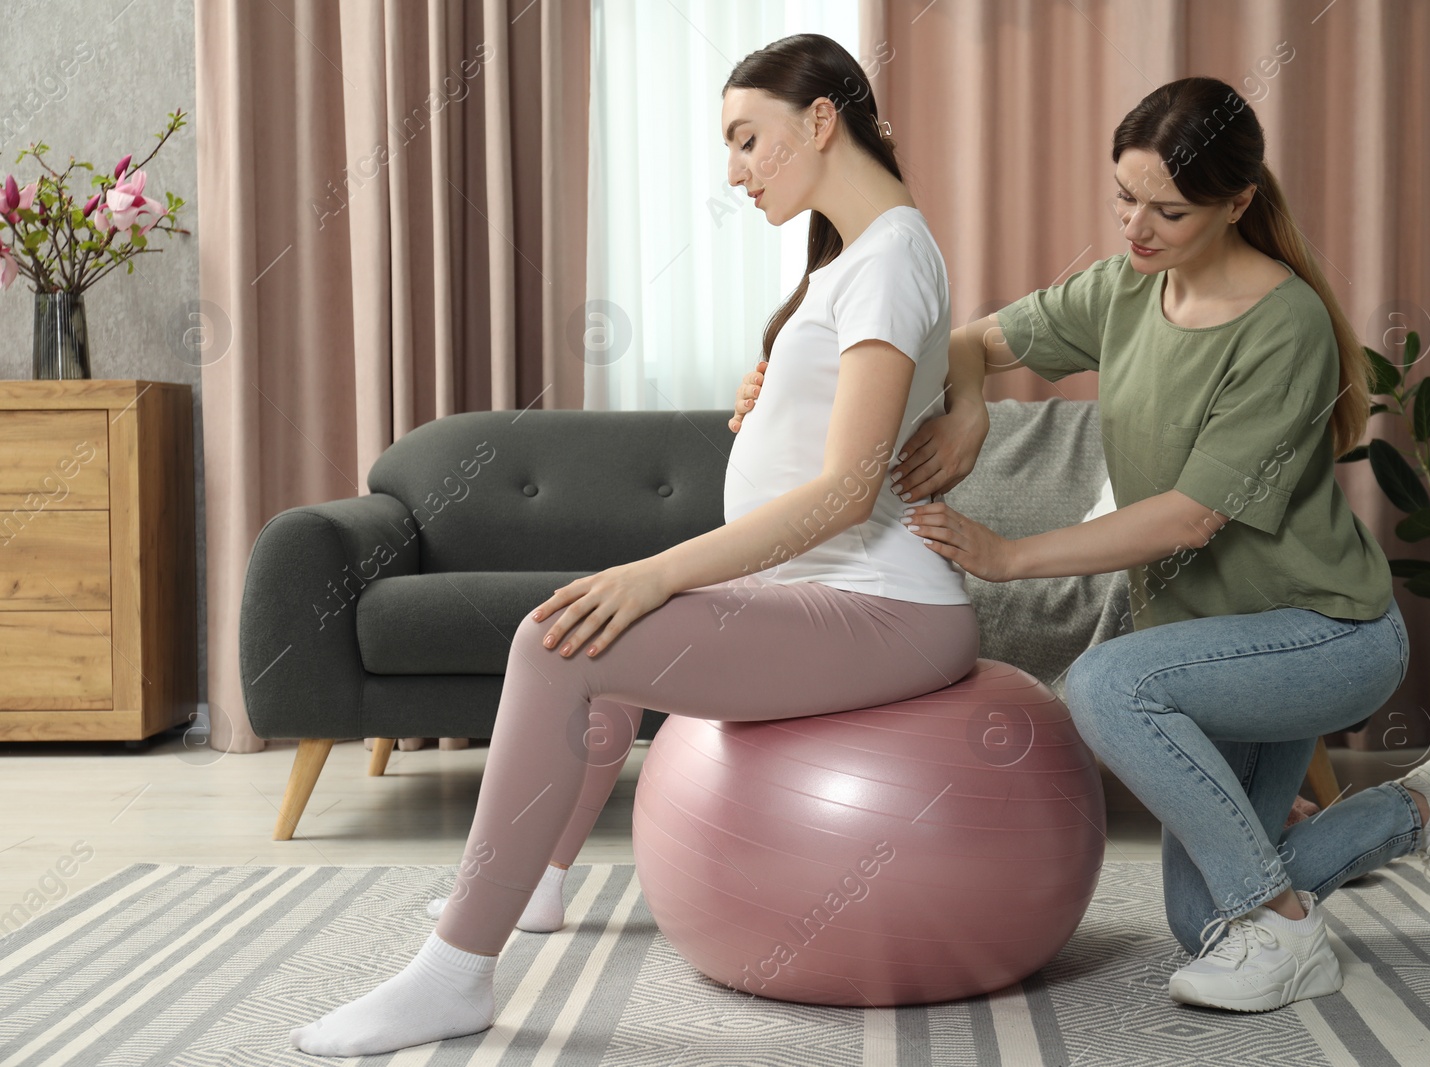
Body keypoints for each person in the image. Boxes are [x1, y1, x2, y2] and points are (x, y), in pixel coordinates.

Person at [738, 74, 1430, 1014]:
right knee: (1200, 917)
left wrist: (1011, 555)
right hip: (1205, 648)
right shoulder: (1125, 290)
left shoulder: (1286, 326)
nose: (1136, 230)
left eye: (1169, 210)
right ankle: (1428, 805)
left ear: (1238, 204)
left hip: (1324, 636)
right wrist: (954, 403)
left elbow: (1191, 517)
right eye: (1125, 198)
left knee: (1110, 682)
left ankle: (1291, 933)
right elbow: (970, 340)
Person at [287, 33, 980, 1056]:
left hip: (884, 603)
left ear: (821, 120)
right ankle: (541, 885)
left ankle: (453, 973)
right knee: (601, 653)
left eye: (748, 140)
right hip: (840, 590)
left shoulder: (886, 260)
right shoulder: (869, 259)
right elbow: (906, 379)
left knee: (556, 637)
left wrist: (654, 570)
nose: (733, 171)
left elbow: (842, 493)